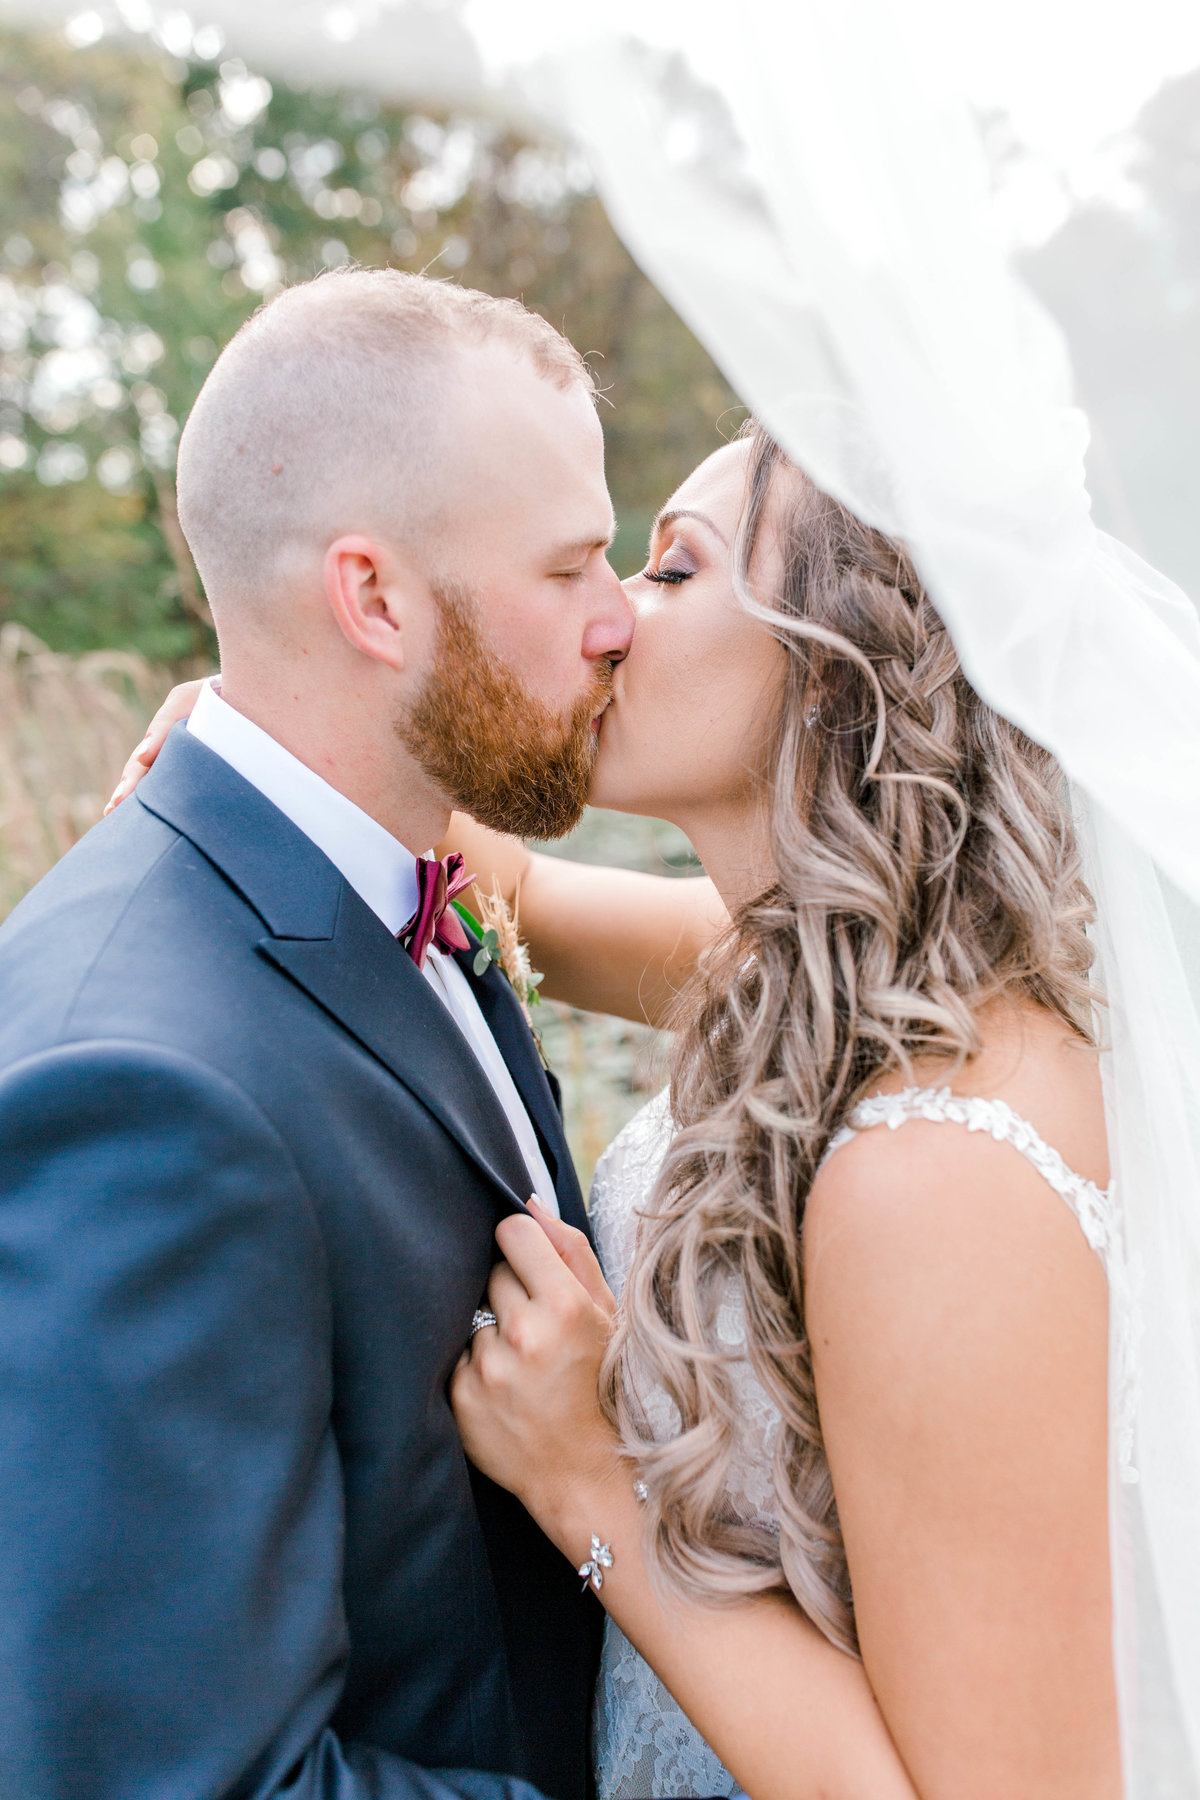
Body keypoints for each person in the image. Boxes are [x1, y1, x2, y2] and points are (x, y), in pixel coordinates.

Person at [125, 423, 1121, 1799]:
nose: (606, 622)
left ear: (839, 667)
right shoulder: (828, 979)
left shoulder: (941, 1161)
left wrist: (591, 1482)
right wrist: (276, 724)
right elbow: (508, 889)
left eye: (667, 571)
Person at [0, 267, 640, 1800]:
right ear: (372, 597)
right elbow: (174, 1778)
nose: (621, 621)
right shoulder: (141, 1092)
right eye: (571, 570)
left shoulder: (398, 865)